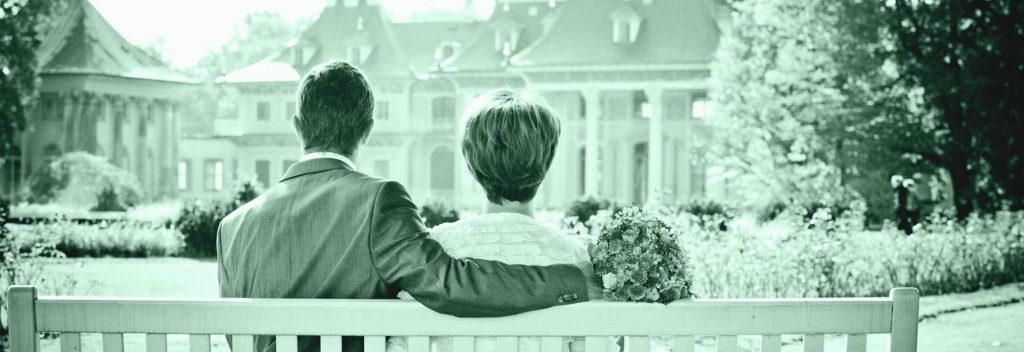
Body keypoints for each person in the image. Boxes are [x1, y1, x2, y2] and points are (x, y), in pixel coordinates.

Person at [217, 62, 601, 352]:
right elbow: (450, 283)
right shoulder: (377, 200)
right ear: (368, 129)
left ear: (298, 126)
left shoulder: (231, 228)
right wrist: (574, 280)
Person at [387, 90, 617, 352]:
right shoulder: (577, 261)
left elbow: (401, 345)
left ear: (471, 164)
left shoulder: (435, 252)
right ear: (547, 160)